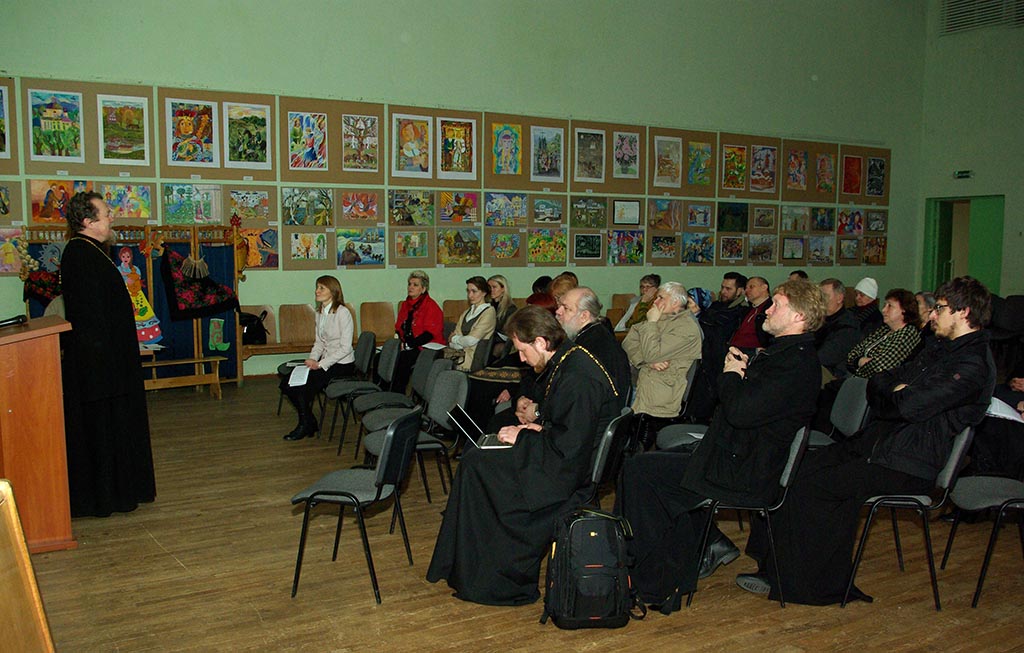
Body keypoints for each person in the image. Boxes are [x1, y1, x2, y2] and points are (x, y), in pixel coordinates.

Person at [739, 276, 996, 605]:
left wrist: (899, 395)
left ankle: (810, 585)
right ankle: (773, 566)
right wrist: (897, 392)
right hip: (881, 444)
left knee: (816, 487)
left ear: (964, 312)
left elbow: (909, 406)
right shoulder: (939, 349)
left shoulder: (972, 364)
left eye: (940, 309)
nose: (932, 315)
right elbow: (880, 381)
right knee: (792, 469)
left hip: (908, 463)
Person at [617, 279, 825, 611]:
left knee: (642, 473)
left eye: (777, 305)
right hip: (734, 455)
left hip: (744, 470)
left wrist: (732, 373)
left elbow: (740, 411)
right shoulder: (785, 354)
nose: (767, 310)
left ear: (799, 316)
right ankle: (674, 560)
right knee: (641, 468)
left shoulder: (796, 363)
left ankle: (653, 581)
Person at [426, 306, 621, 605]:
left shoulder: (578, 376)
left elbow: (569, 451)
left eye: (522, 350)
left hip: (567, 475)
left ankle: (487, 575)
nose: (520, 359)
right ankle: (465, 565)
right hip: (563, 457)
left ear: (541, 342)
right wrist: (537, 427)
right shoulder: (568, 360)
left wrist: (526, 435)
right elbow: (569, 428)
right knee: (476, 460)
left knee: (477, 467)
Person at [60, 191, 156, 517]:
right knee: (101, 431)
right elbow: (90, 320)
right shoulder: (79, 255)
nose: (112, 217)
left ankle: (121, 491)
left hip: (110, 362)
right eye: (105, 213)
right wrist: (107, 363)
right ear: (88, 221)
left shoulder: (91, 251)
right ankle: (105, 497)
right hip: (99, 368)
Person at [623, 281, 702, 450]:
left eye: (660, 298)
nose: (655, 302)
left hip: (663, 389)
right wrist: (644, 360)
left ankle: (637, 453)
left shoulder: (687, 328)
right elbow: (629, 341)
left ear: (675, 302)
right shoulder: (664, 318)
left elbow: (652, 353)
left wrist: (651, 323)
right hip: (645, 378)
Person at [280, 276, 354, 440]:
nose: (317, 291)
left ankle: (305, 424)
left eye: (322, 288)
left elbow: (346, 348)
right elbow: (319, 342)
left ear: (333, 292)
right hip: (324, 362)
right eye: (317, 287)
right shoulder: (320, 312)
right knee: (286, 384)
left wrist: (320, 364)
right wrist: (312, 360)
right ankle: (309, 421)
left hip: (341, 364)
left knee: (303, 387)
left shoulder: (343, 313)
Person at [684, 272, 748, 422]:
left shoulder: (740, 312)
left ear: (740, 291)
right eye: (722, 287)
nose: (723, 292)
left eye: (728, 289)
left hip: (717, 361)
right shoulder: (716, 307)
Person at [845, 288, 921, 378]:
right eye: (884, 305)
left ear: (904, 310)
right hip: (858, 379)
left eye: (890, 306)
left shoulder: (908, 334)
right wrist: (860, 361)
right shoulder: (884, 330)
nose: (884, 310)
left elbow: (880, 368)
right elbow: (851, 355)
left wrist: (857, 366)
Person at [393, 270, 445, 393]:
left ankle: (397, 396)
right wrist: (402, 341)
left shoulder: (431, 306)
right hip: (409, 344)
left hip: (426, 347)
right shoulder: (405, 304)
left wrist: (408, 345)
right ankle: (383, 393)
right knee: (382, 357)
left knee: (403, 359)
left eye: (415, 285)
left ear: (423, 289)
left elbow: (429, 334)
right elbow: (399, 327)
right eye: (409, 284)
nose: (410, 287)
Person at [816, 278, 862, 381]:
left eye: (825, 296)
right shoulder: (821, 319)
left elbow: (826, 357)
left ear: (839, 298)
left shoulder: (848, 325)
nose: (821, 301)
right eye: (820, 297)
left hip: (832, 375)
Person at [447, 276, 496, 371]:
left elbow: (471, 340)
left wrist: (454, 338)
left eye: (474, 291)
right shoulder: (466, 313)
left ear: (484, 293)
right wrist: (461, 341)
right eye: (468, 291)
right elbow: (452, 343)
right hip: (459, 358)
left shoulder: (489, 312)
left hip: (473, 361)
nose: (470, 295)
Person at [728, 276, 771, 354]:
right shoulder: (745, 309)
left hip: (754, 353)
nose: (747, 291)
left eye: (751, 287)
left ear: (764, 287)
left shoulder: (772, 309)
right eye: (746, 288)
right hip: (734, 350)